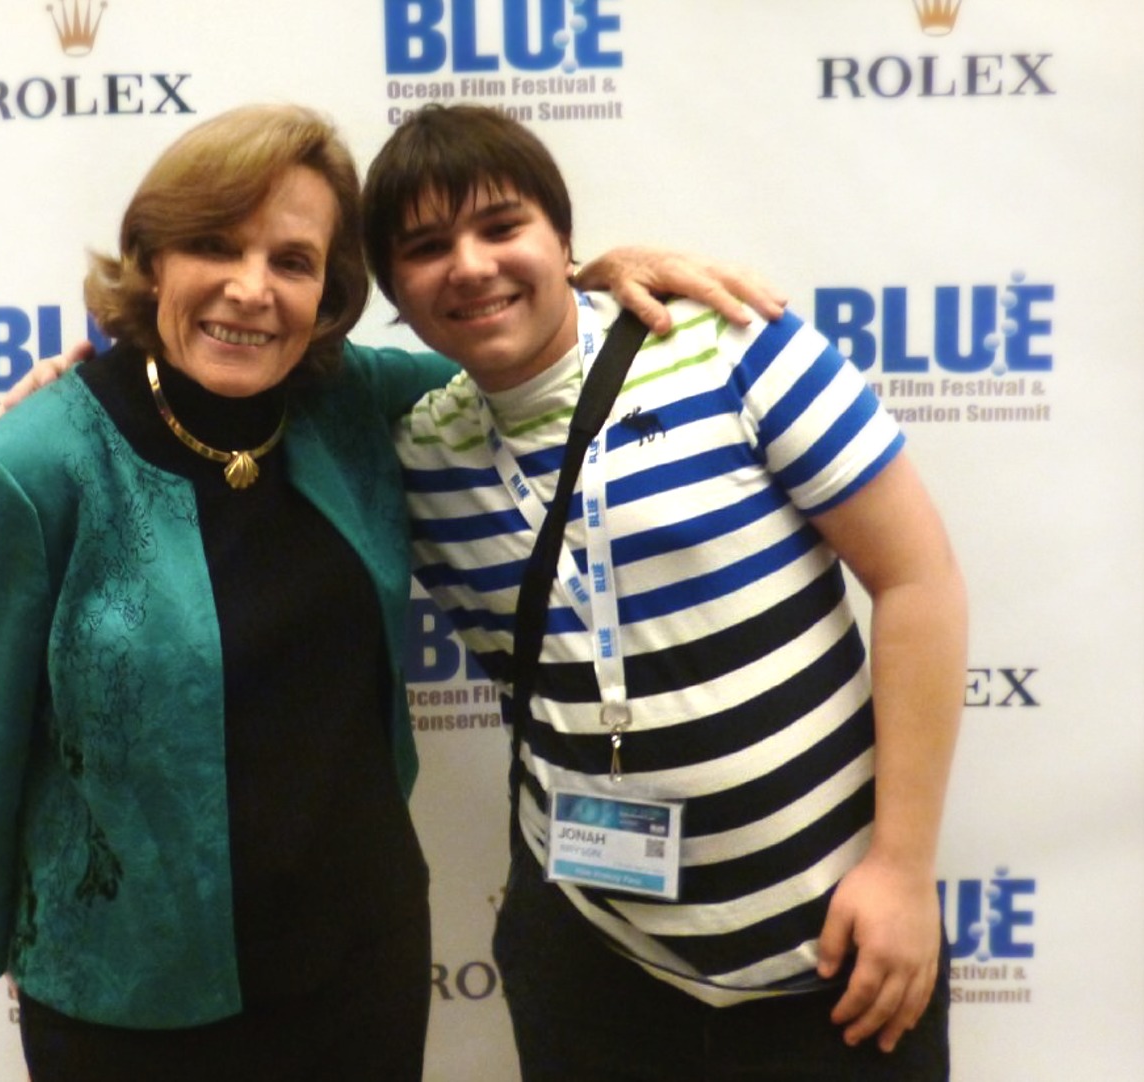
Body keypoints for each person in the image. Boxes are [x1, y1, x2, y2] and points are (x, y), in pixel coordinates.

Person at [0, 102, 782, 1082]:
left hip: (357, 967)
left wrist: (590, 274)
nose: (251, 290)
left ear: (328, 293)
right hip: (130, 988)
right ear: (152, 260)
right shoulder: (34, 463)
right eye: (213, 246)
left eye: (292, 261)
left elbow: (516, 357)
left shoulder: (353, 402)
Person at [364, 104, 966, 1081]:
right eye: (428, 248)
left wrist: (902, 868)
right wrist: (88, 377)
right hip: (595, 966)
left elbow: (919, 580)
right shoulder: (419, 449)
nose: (469, 265)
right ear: (394, 291)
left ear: (565, 238)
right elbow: (244, 392)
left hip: (839, 952)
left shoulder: (735, 347)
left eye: (501, 226)